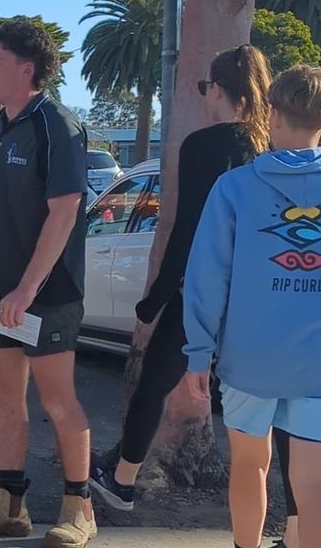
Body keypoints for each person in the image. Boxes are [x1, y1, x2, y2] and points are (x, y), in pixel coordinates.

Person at [183, 66, 321, 548]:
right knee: (316, 483)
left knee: (250, 466)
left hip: (249, 358)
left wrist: (198, 351)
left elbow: (208, 277)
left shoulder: (234, 188)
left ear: (271, 113)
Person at [89, 45, 273, 514]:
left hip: (202, 289)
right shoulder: (271, 148)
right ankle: (292, 522)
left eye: (204, 88)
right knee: (261, 411)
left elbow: (189, 226)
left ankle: (123, 478)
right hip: (257, 294)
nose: (204, 97)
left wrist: (154, 300)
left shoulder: (201, 146)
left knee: (155, 382)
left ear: (219, 89)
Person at [0, 19, 95, 547]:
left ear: (26, 70)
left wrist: (28, 288)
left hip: (45, 295)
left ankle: (79, 509)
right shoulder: (1, 124)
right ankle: (10, 507)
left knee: (59, 402)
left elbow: (64, 212)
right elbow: (3, 200)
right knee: (7, 397)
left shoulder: (56, 124)